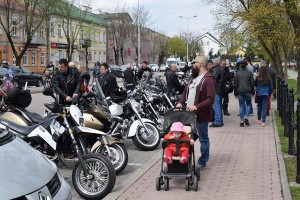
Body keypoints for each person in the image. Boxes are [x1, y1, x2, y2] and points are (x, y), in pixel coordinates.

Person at [176, 55, 216, 170]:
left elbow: (210, 99)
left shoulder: (208, 79)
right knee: (185, 136)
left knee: (203, 138)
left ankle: (203, 161)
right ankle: (185, 157)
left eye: (195, 63)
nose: (193, 65)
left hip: (201, 114)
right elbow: (185, 91)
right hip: (188, 114)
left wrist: (196, 107)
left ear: (200, 64)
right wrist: (180, 102)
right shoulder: (193, 77)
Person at [234, 59, 255, 127]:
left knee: (241, 106)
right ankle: (246, 117)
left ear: (240, 65)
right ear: (246, 66)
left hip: (240, 91)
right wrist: (253, 92)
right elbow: (252, 84)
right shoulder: (249, 73)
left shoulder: (237, 73)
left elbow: (235, 84)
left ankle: (241, 121)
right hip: (248, 91)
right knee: (248, 104)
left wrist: (235, 93)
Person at [208, 58, 226, 127]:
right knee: (218, 105)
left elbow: (213, 80)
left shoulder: (215, 70)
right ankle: (220, 120)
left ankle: (218, 121)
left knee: (216, 106)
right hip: (221, 89)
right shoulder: (221, 69)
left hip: (216, 90)